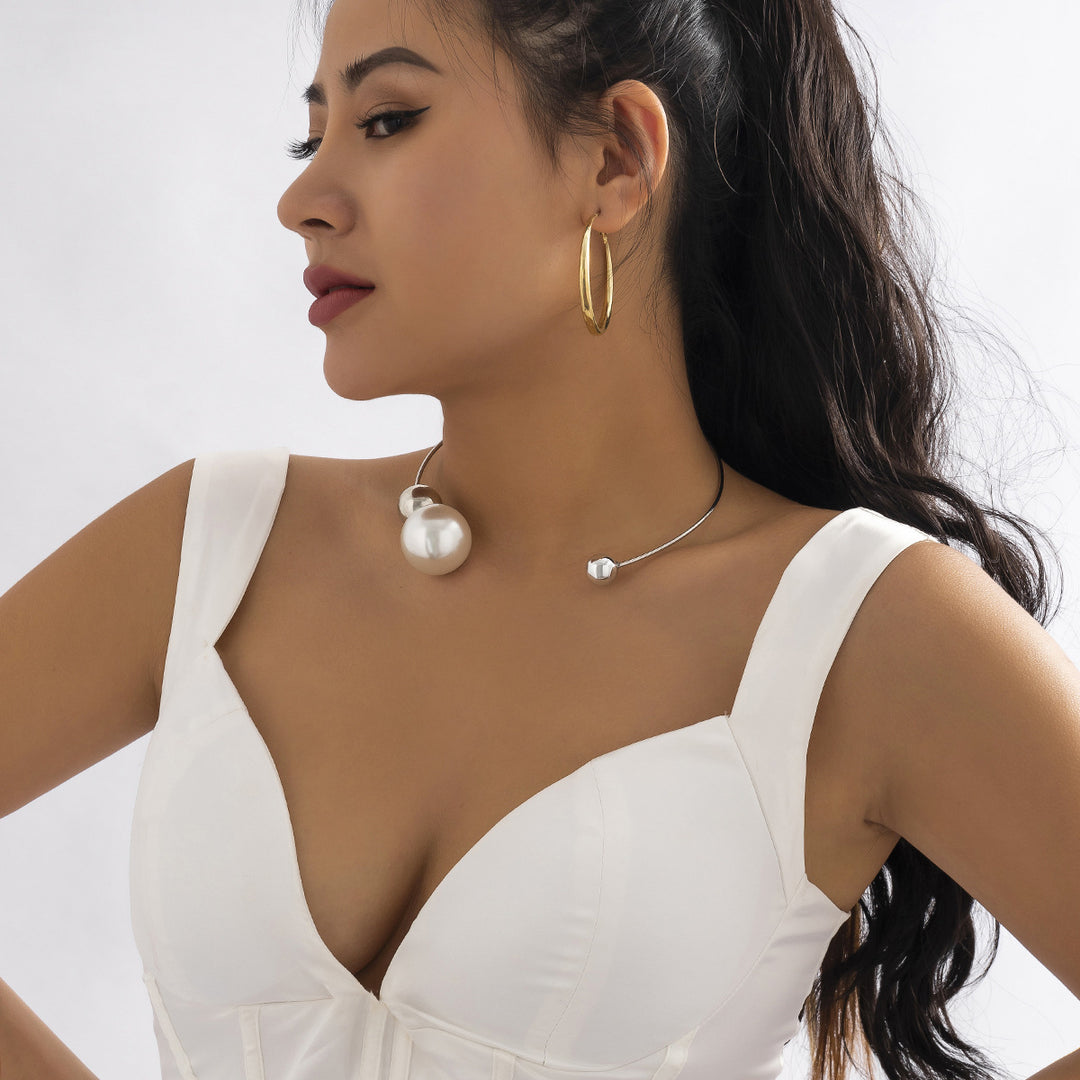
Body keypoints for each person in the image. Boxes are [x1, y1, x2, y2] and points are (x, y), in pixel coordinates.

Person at [1, 0, 1078, 1076]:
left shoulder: (862, 631)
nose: (301, 200)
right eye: (309, 132)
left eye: (386, 120)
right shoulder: (210, 550)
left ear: (615, 160)